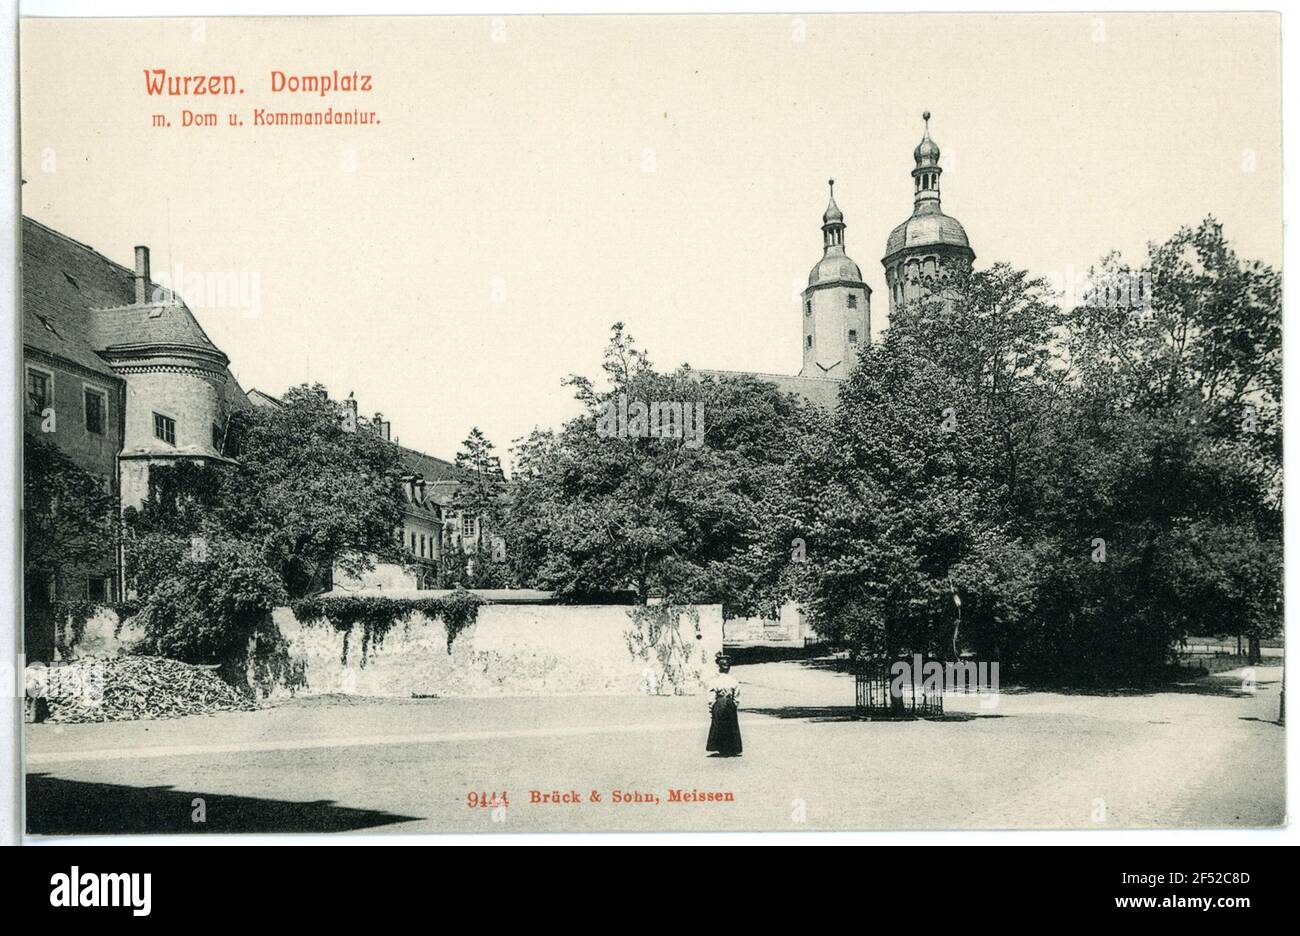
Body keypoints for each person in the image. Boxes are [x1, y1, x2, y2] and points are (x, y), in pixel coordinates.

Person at [706, 653, 742, 757]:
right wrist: (734, 705)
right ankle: (731, 747)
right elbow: (737, 696)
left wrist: (712, 707)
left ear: (719, 667)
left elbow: (711, 695)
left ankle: (720, 747)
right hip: (729, 703)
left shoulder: (714, 681)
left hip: (719, 703)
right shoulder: (734, 681)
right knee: (731, 725)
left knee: (718, 724)